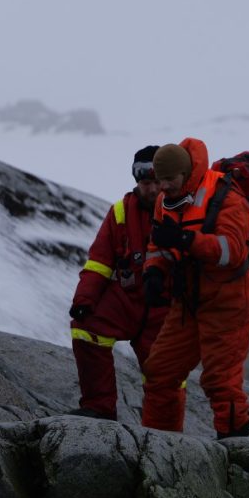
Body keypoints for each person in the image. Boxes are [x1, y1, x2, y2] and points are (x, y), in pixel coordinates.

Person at [141, 137, 249, 438]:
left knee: (221, 381)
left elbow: (232, 251)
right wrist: (153, 272)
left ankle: (236, 450)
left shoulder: (226, 194)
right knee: (159, 373)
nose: (163, 187)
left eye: (169, 179)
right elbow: (157, 243)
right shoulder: (164, 202)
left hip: (228, 299)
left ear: (185, 173)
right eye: (159, 179)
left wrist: (185, 240)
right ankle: (160, 444)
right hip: (188, 300)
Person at [68, 146, 171, 420]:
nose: (151, 189)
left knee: (165, 373)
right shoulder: (120, 211)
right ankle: (99, 407)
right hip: (129, 298)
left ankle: (164, 434)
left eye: (156, 183)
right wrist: (84, 300)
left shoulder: (184, 209)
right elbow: (99, 262)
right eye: (145, 183)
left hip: (165, 307)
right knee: (85, 328)